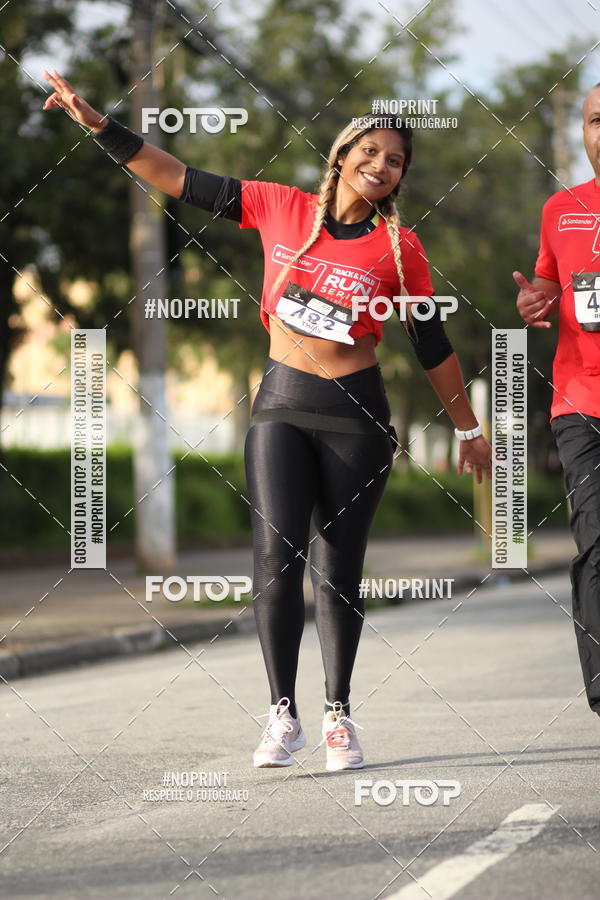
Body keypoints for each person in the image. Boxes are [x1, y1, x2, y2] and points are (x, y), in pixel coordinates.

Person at [43, 69, 492, 770]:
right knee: (275, 557)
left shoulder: (401, 250)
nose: (380, 165)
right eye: (369, 151)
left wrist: (467, 428)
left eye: (395, 160)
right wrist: (100, 125)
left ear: (400, 179)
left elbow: (430, 342)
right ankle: (282, 713)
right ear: (342, 155)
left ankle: (339, 713)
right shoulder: (277, 206)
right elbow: (176, 176)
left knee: (338, 570)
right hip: (281, 404)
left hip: (357, 416)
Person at [513, 82, 600, 720]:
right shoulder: (560, 209)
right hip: (580, 402)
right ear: (584, 132)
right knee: (596, 545)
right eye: (598, 120)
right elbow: (545, 288)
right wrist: (533, 303)